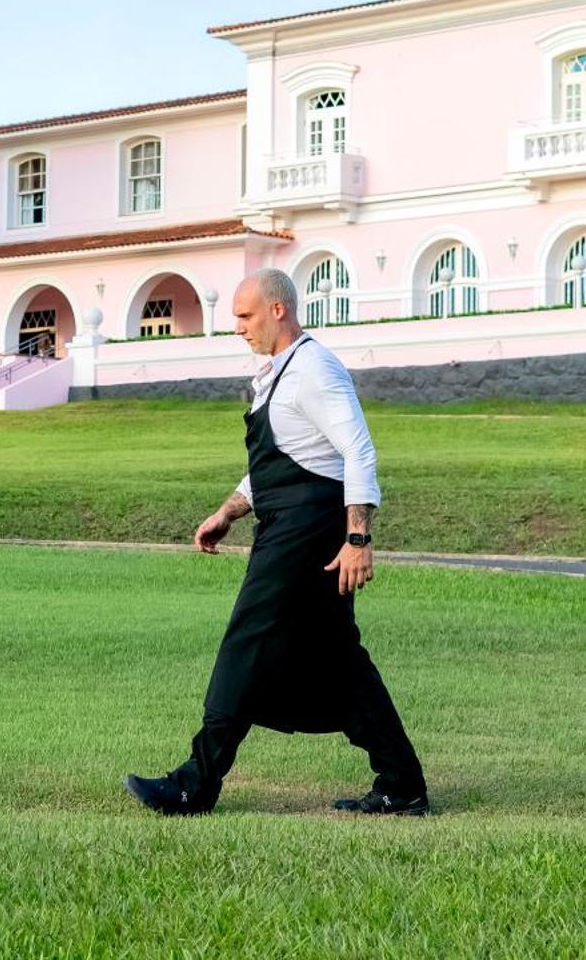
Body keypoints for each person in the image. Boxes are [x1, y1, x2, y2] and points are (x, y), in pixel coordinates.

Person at [123, 267, 429, 816]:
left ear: (277, 310)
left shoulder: (314, 369)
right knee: (340, 660)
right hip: (291, 524)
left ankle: (195, 783)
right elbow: (286, 460)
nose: (237, 327)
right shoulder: (280, 372)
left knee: (247, 641)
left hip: (306, 535)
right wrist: (228, 511)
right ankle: (402, 784)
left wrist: (358, 537)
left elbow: (357, 453)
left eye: (245, 315)